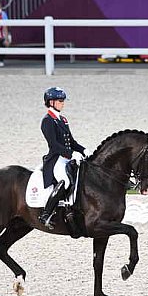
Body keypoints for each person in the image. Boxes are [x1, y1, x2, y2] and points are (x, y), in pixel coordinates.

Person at [38, 87, 90, 229]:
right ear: (51, 102)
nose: (63, 103)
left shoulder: (63, 119)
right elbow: (54, 145)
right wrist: (71, 154)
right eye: (60, 101)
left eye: (63, 101)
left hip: (66, 157)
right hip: (56, 159)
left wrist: (84, 150)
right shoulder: (47, 120)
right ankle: (46, 214)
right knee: (66, 181)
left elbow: (71, 142)